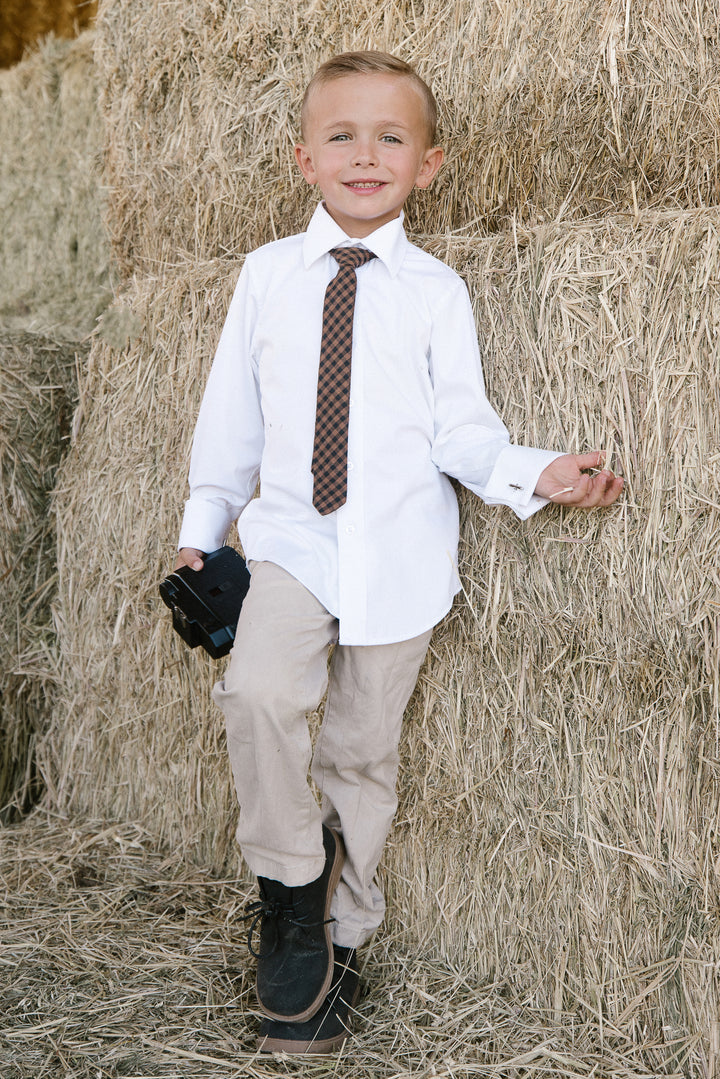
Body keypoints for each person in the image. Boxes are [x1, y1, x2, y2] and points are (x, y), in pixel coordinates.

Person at [174, 50, 623, 1055]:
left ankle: (347, 932)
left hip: (401, 553)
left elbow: (461, 431)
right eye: (342, 134)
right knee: (255, 695)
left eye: (391, 137)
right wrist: (201, 534)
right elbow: (230, 420)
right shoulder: (265, 277)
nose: (365, 153)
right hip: (291, 539)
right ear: (303, 158)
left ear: (429, 164)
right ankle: (292, 904)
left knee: (362, 752)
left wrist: (537, 470)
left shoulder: (435, 291)